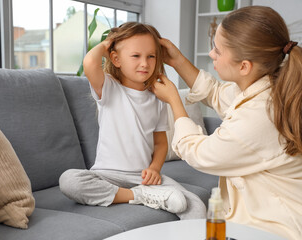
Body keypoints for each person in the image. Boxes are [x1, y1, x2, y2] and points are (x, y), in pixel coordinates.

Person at [152, 6, 302, 240]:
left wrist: (174, 100)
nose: (211, 54)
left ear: (244, 66)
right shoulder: (270, 84)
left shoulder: (261, 113)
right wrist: (178, 61)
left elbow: (201, 154)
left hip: (275, 229)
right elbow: (216, 93)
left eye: (217, 50)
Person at [59, 22, 206, 219]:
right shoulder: (109, 88)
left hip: (142, 177)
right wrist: (109, 44)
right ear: (116, 59)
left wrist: (154, 168)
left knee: (193, 205)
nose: (144, 63)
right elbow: (89, 63)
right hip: (106, 175)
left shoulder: (158, 98)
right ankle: (139, 196)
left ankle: (147, 193)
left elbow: (161, 143)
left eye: (151, 56)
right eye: (136, 56)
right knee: (69, 180)